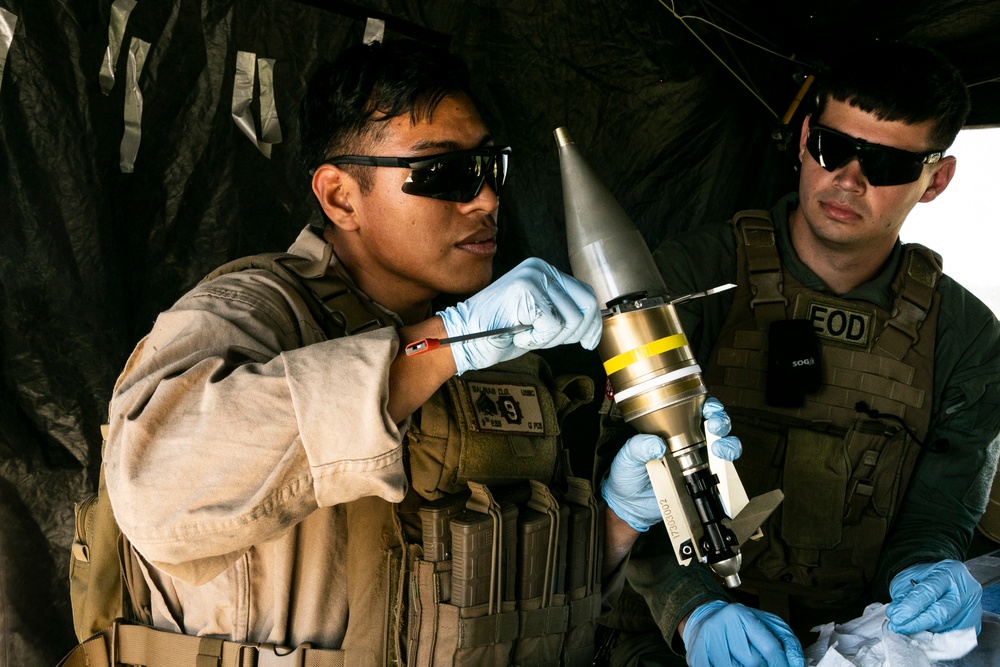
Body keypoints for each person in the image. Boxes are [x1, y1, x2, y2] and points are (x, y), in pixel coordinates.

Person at [83, 38, 742, 667]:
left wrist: (619, 524)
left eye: (490, 168)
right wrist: (443, 343)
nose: (485, 199)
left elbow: (515, 613)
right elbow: (156, 489)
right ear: (341, 195)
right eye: (446, 173)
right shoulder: (252, 313)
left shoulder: (504, 352)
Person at [601, 39, 1000, 666]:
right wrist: (694, 611)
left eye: (888, 164)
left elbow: (941, 507)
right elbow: (616, 487)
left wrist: (923, 575)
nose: (848, 179)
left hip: (849, 641)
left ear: (936, 179)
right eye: (833, 149)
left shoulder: (965, 336)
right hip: (665, 637)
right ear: (806, 136)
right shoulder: (688, 281)